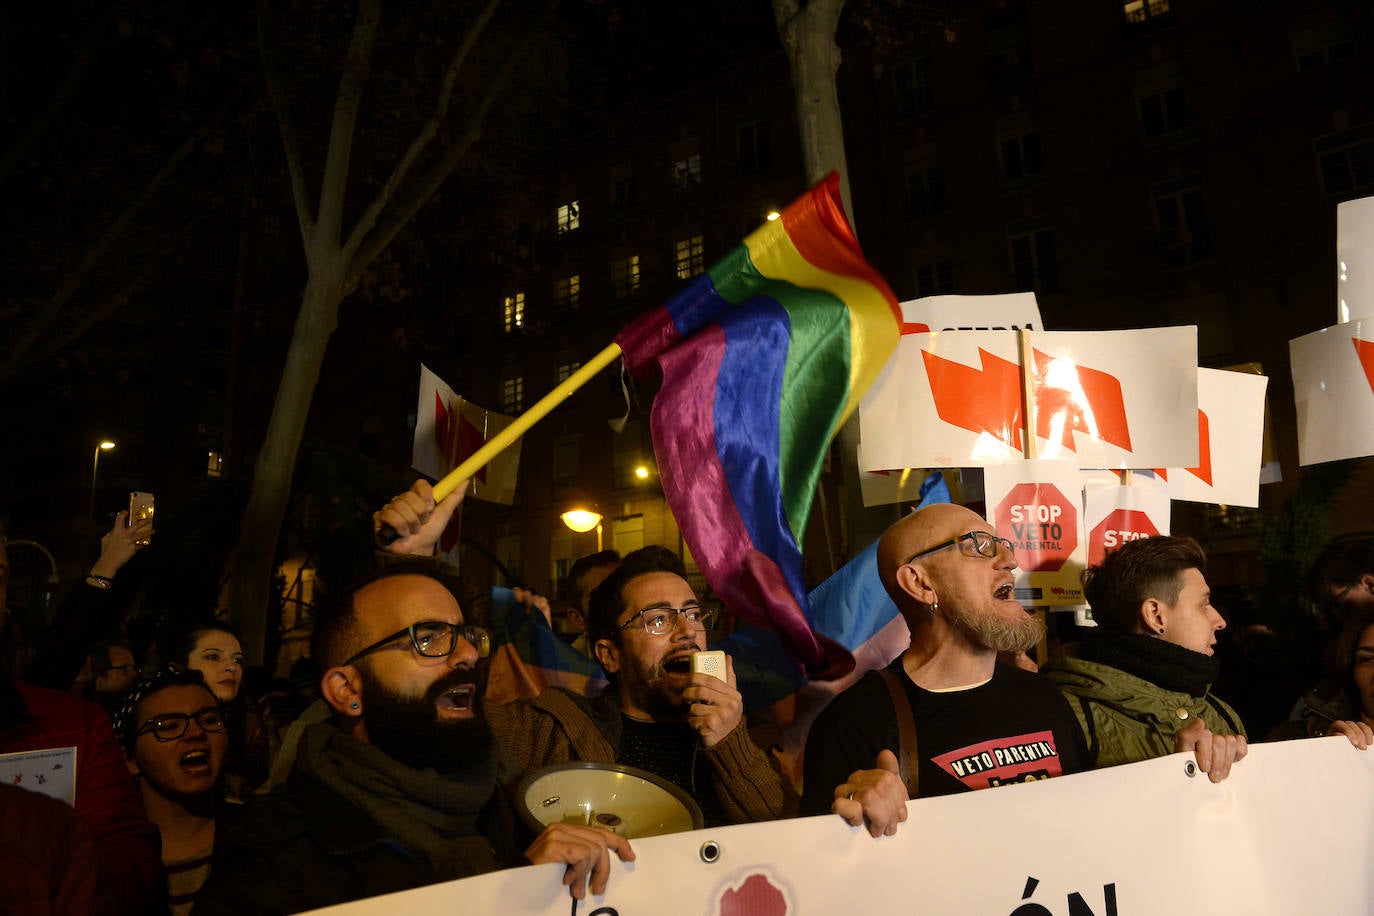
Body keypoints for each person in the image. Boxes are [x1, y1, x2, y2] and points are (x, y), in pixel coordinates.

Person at [194, 562, 632, 914]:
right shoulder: (274, 864)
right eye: (427, 639)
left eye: (464, 636)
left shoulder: (521, 800)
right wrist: (512, 899)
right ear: (347, 691)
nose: (465, 655)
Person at [801, 504, 1087, 836]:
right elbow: (828, 874)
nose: (1011, 562)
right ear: (920, 583)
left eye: (1004, 546)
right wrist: (853, 824)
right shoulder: (853, 722)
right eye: (979, 545)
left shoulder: (1045, 695)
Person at [487, 545, 794, 827]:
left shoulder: (752, 733)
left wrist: (730, 742)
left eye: (693, 614)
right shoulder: (552, 732)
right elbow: (448, 727)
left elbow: (788, 836)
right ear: (610, 655)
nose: (688, 631)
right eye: (658, 619)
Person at [1041, 536, 1249, 781]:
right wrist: (1170, 777)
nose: (1219, 621)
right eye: (1203, 605)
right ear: (1155, 616)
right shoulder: (1063, 715)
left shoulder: (1220, 713)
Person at [114, 667, 239, 915]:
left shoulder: (264, 833)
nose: (196, 733)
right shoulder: (108, 858)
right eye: (168, 726)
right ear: (129, 758)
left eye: (210, 720)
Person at [565, 550, 621, 657]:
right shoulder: (567, 669)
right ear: (577, 619)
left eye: (620, 591)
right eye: (600, 597)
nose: (615, 603)